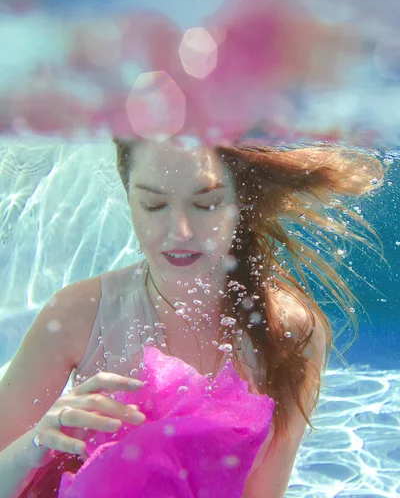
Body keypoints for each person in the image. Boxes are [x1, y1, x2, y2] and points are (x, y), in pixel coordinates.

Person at [0, 138, 384, 498]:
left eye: (206, 204)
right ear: (128, 197)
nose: (180, 231)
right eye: (153, 206)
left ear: (240, 200)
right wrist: (35, 445)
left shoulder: (290, 331)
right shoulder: (76, 316)